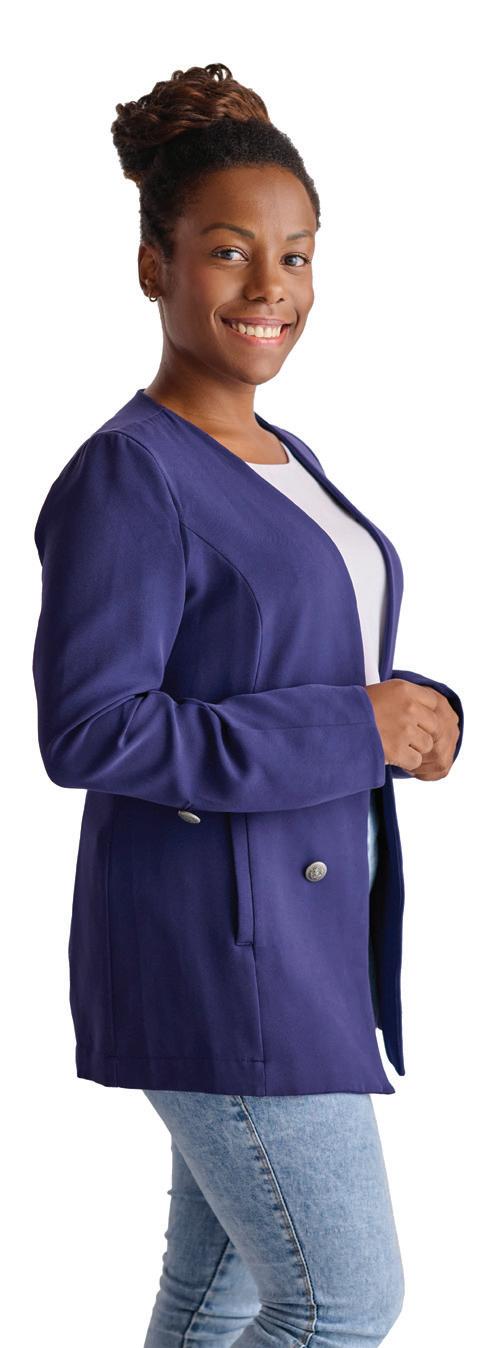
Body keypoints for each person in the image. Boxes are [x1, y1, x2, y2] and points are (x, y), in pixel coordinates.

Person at [32, 63, 463, 1348]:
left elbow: (293, 653)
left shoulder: (283, 456)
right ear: (153, 265)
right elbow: (92, 726)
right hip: (222, 952)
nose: (269, 286)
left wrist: (413, 708)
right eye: (228, 251)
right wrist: (353, 727)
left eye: (295, 254)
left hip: (294, 936)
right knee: (339, 1305)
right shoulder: (128, 473)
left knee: (216, 1296)